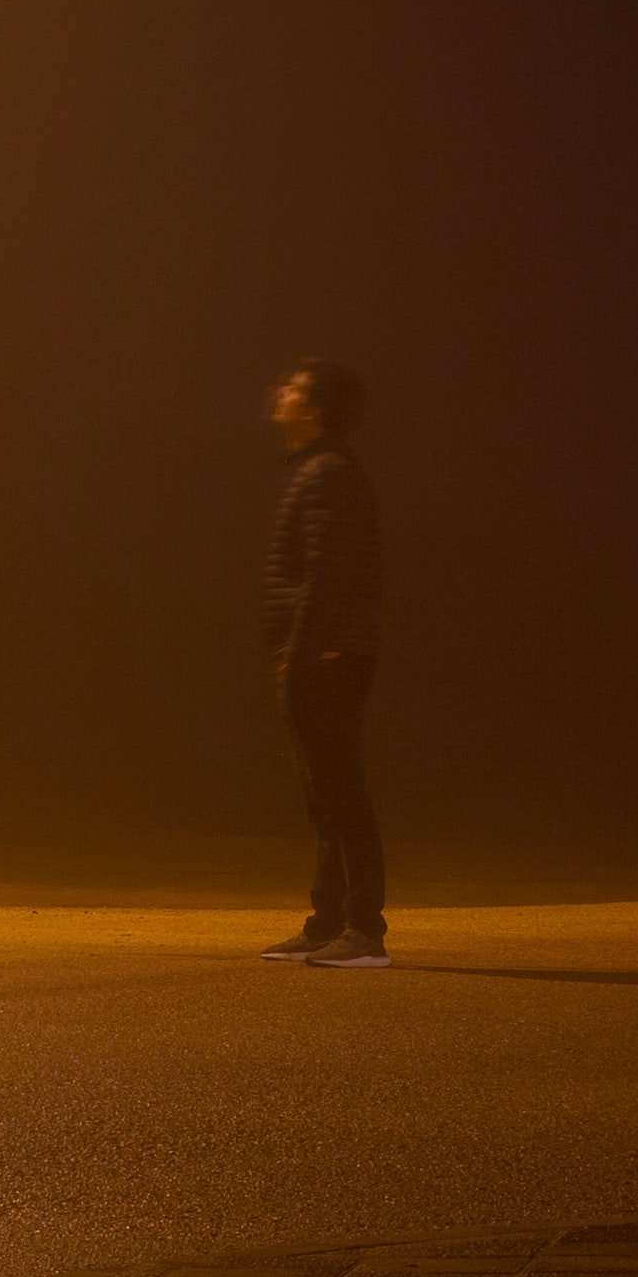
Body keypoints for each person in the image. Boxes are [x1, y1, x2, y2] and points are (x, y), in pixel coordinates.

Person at [257, 360, 386, 966]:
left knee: (341, 792)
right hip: (324, 654)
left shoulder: (327, 474)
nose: (279, 394)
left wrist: (301, 655)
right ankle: (328, 923)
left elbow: (325, 575)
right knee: (324, 796)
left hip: (327, 658)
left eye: (293, 390)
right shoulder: (314, 472)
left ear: (314, 411)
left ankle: (365, 930)